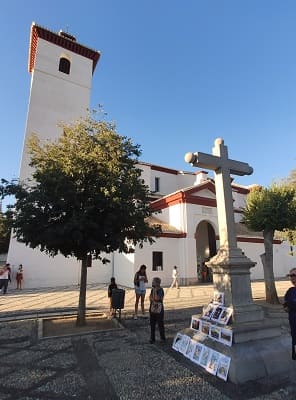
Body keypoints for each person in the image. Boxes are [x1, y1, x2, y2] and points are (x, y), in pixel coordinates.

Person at [284, 267, 296, 360]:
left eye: (293, 275)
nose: (291, 278)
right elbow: (286, 306)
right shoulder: (290, 291)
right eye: (290, 276)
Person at [149, 277, 166, 344]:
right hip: (152, 308)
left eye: (153, 281)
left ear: (157, 283)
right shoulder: (152, 289)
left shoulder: (161, 290)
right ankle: (152, 338)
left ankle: (162, 338)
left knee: (160, 324)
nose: (152, 282)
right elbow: (150, 297)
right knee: (152, 324)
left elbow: (158, 298)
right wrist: (153, 300)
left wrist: (155, 290)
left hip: (159, 310)